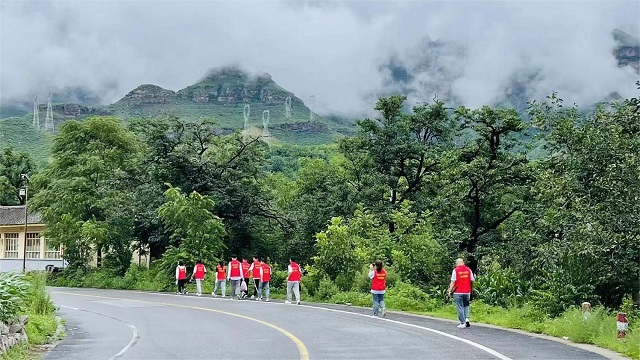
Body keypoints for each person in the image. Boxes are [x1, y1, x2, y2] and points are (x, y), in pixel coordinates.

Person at [448, 258, 475, 328]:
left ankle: (462, 323)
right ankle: (467, 318)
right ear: (463, 263)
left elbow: (453, 281)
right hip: (467, 292)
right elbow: (472, 279)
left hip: (458, 292)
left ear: (456, 264)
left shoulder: (455, 270)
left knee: (460, 307)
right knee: (466, 305)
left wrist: (450, 291)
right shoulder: (468, 269)